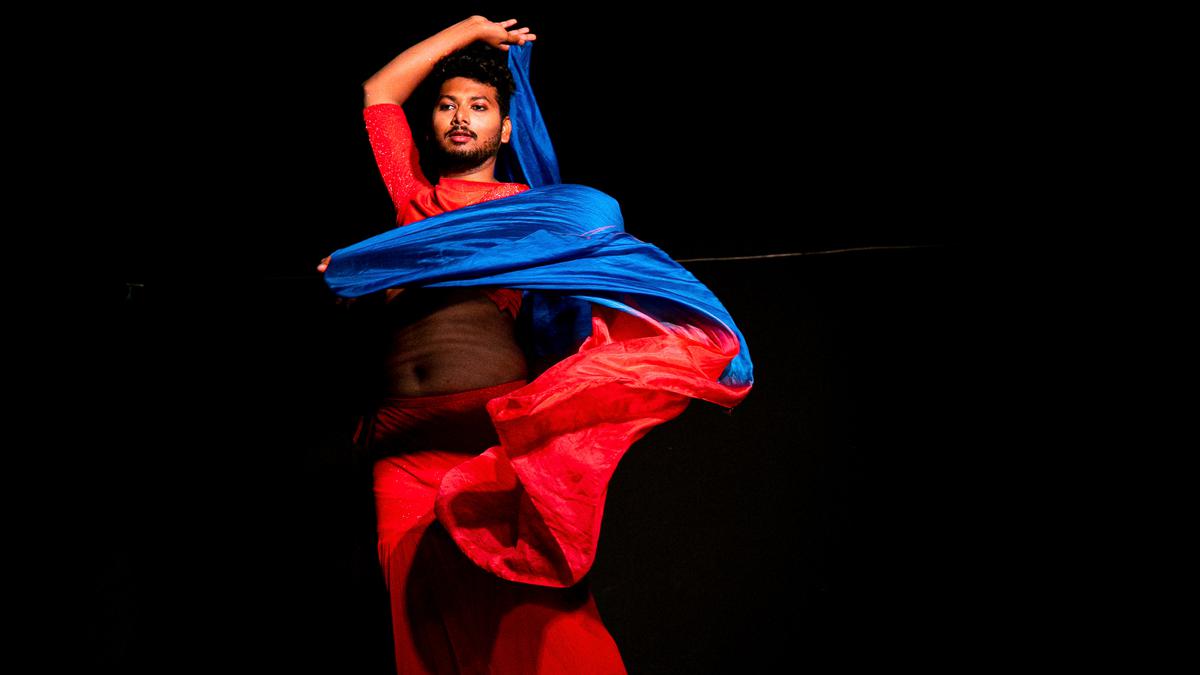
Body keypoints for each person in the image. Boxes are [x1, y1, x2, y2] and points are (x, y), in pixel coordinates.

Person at [320, 15, 755, 675]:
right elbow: (379, 89)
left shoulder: (533, 214)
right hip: (400, 445)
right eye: (446, 105)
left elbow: (594, 226)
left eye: (479, 106)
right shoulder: (413, 203)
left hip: (485, 437)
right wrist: (468, 29)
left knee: (533, 618)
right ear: (433, 124)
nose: (460, 116)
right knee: (421, 626)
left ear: (505, 128)